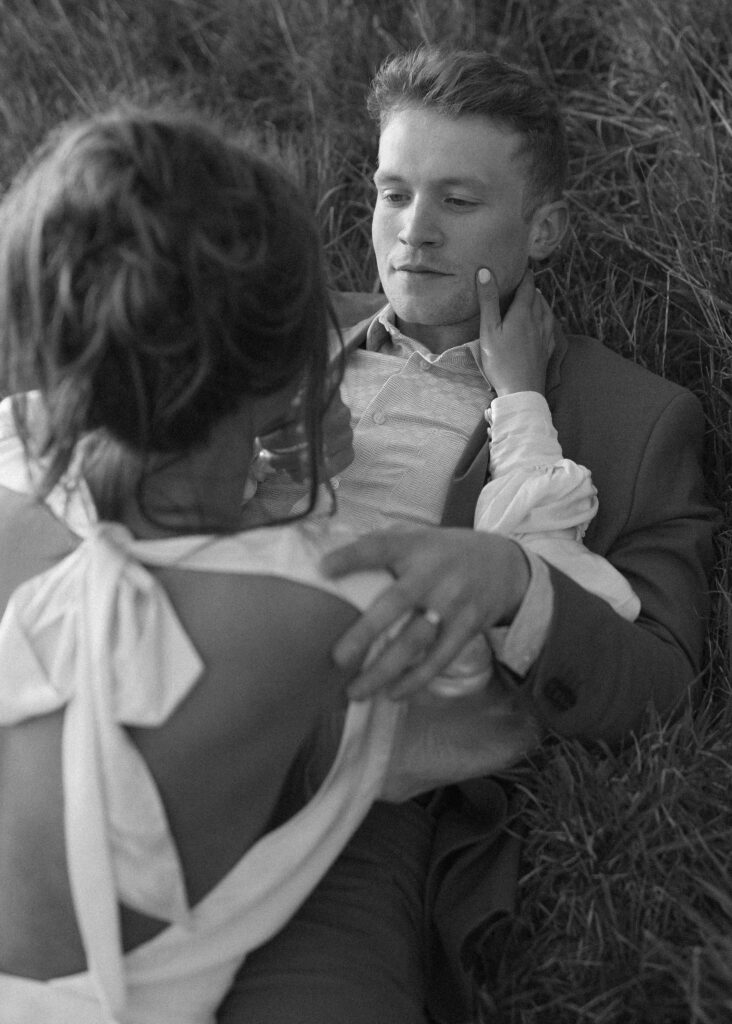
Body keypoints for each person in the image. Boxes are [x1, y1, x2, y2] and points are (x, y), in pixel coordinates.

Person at [0, 105, 544, 1024]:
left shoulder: (12, 447)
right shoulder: (325, 609)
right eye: (395, 192)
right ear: (285, 361)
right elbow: (497, 729)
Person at [219, 46, 717, 1024]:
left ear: (544, 228)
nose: (413, 233)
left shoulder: (634, 416)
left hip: (355, 805)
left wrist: (508, 580)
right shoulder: (270, 334)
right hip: (154, 706)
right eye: (394, 192)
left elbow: (659, 674)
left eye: (457, 200)